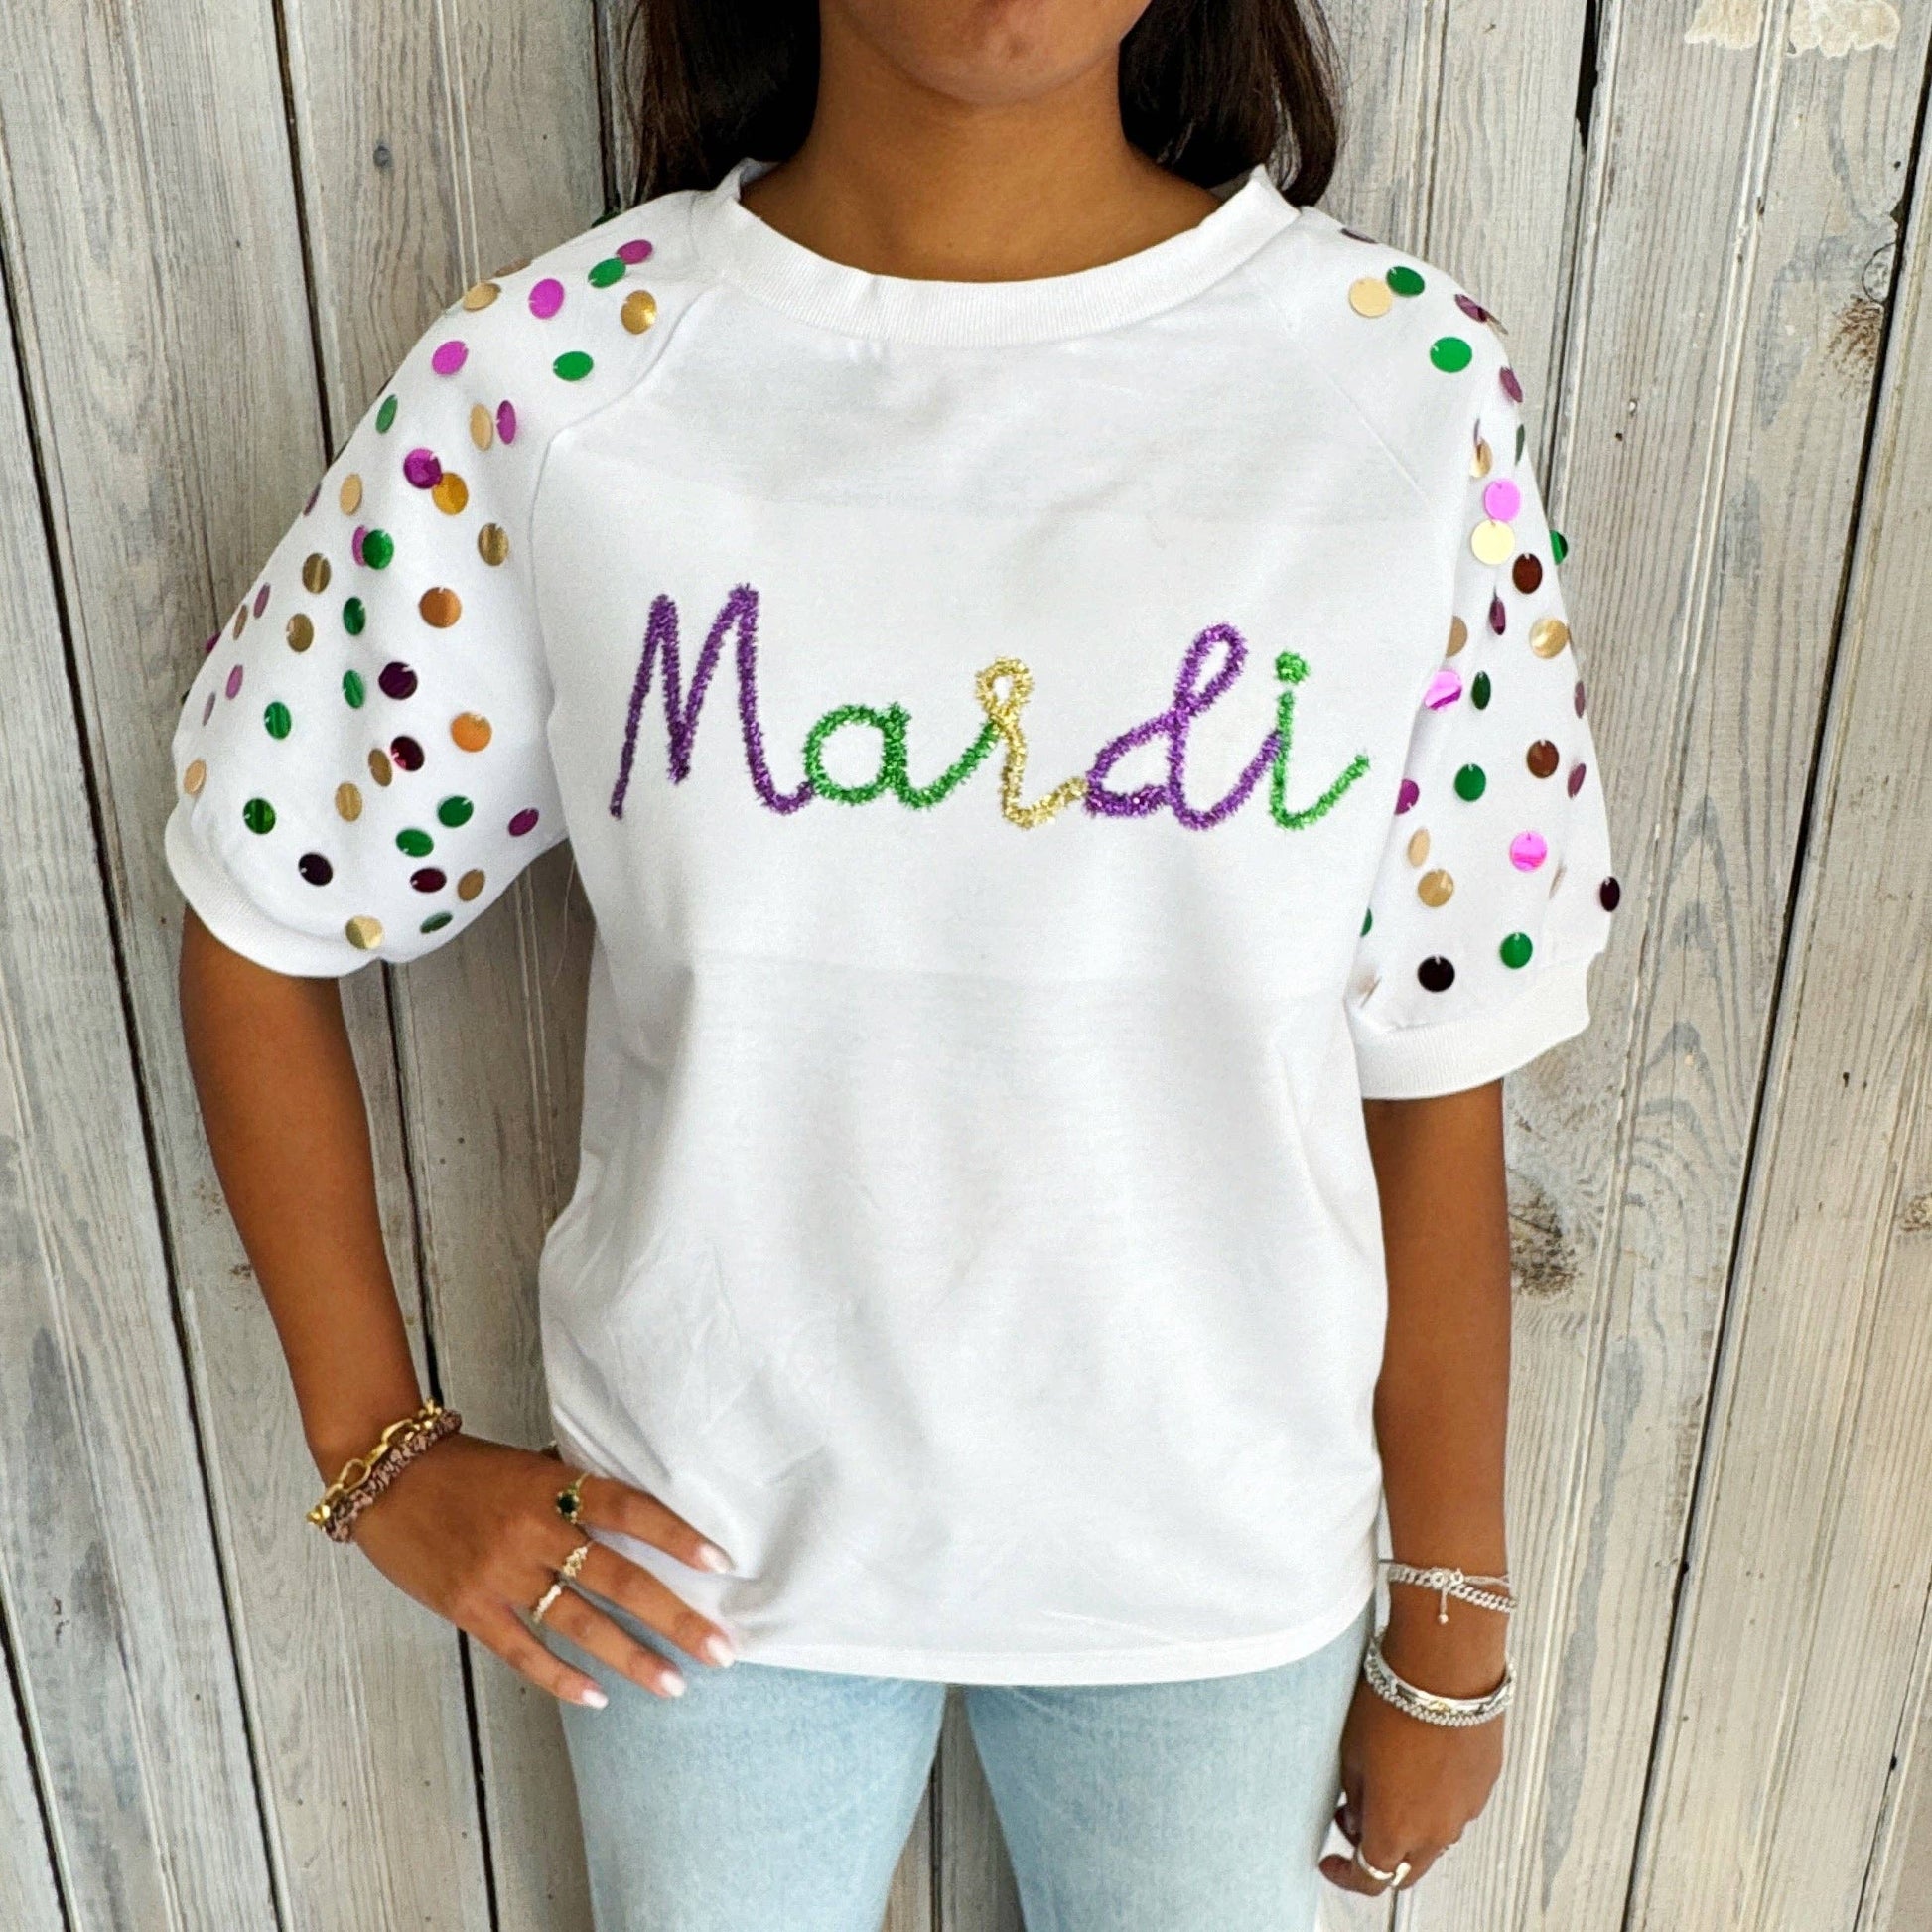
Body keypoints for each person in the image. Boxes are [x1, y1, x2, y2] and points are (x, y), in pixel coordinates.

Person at [166, 2, 1618, 1926]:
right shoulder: (559, 377)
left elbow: (1440, 1042)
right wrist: (381, 1454)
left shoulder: (1393, 386)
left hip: (1209, 1561)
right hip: (699, 1557)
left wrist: (1451, 1619)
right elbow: (260, 891)